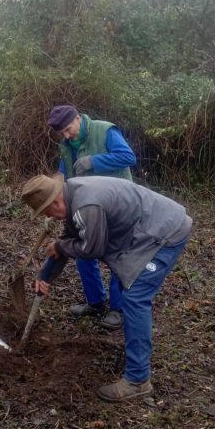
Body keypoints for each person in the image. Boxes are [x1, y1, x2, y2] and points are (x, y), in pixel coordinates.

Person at [21, 173, 192, 402]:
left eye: (46, 212)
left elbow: (92, 249)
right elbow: (69, 239)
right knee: (128, 286)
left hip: (164, 232)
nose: (49, 217)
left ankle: (138, 380)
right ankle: (135, 353)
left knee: (135, 297)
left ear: (56, 203)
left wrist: (60, 245)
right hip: (143, 230)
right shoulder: (73, 193)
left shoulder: (86, 206)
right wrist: (46, 276)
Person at [47, 104, 136, 330]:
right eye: (63, 133)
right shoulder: (66, 145)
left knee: (117, 254)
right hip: (85, 205)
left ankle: (118, 309)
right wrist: (52, 201)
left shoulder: (105, 131)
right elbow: (63, 174)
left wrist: (94, 161)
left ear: (78, 118)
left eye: (69, 129)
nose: (67, 135)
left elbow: (128, 156)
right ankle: (95, 302)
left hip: (116, 205)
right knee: (83, 249)